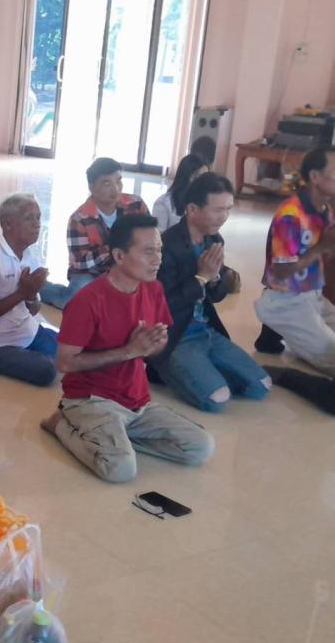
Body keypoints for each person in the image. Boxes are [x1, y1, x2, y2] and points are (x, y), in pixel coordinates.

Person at [41, 214, 214, 482]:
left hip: (137, 401)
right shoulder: (87, 301)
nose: (157, 259)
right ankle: (61, 425)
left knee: (200, 447)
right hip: (91, 399)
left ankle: (115, 438)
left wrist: (155, 344)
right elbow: (64, 363)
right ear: (119, 256)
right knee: (120, 470)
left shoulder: (153, 289)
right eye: (148, 252)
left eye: (159, 250)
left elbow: (156, 350)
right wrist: (129, 350)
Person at [150, 173, 270, 411]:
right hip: (174, 336)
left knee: (261, 385)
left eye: (228, 209)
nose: (224, 217)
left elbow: (216, 296)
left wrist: (215, 278)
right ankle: (163, 368)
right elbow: (162, 305)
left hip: (206, 330)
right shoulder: (166, 246)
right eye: (218, 210)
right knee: (217, 400)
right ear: (192, 209)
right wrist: (201, 277)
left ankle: (202, 370)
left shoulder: (214, 240)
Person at [252, 146, 335, 375]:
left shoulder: (325, 208)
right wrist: (323, 246)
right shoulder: (291, 214)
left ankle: (285, 337)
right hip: (287, 300)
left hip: (312, 295)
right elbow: (281, 270)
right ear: (315, 177)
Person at [0, 194, 59, 386]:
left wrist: (31, 294)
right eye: (29, 218)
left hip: (25, 331)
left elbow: (33, 310)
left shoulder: (29, 255)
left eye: (38, 217)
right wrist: (22, 293)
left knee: (74, 349)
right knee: (47, 371)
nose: (37, 224)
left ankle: (33, 353)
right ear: (8, 224)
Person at [40, 157, 149, 309]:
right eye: (107, 183)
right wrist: (114, 248)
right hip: (94, 273)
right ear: (92, 187)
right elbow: (80, 262)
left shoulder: (136, 204)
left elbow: (151, 237)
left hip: (130, 268)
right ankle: (42, 288)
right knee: (75, 300)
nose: (116, 189)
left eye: (118, 181)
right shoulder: (79, 218)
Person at [152, 154, 208, 232]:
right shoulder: (164, 203)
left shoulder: (205, 201)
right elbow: (158, 236)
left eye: (207, 177)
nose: (205, 181)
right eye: (200, 176)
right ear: (187, 176)